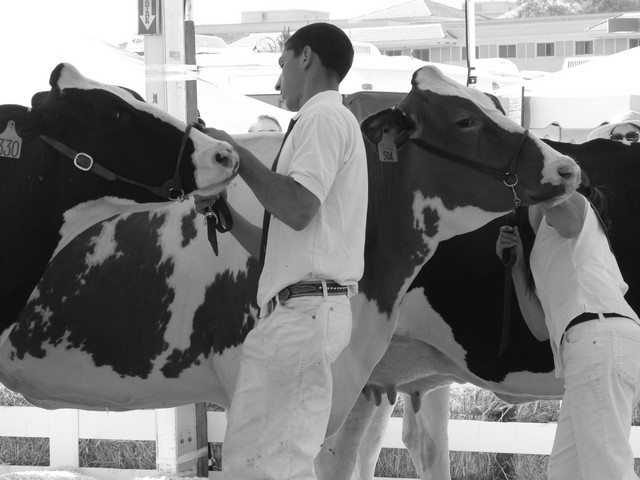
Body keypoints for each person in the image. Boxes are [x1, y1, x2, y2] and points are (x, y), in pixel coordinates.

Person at [197, 22, 367, 480]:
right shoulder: (324, 120)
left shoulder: (323, 118)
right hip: (300, 310)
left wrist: (235, 151)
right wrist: (226, 215)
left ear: (305, 57)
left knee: (274, 465)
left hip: (304, 314)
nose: (277, 83)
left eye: (281, 64)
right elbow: (278, 246)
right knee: (252, 464)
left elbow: (297, 207)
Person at [496, 183, 640, 480]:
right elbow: (539, 328)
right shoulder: (550, 247)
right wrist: (517, 264)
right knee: (565, 472)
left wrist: (534, 175)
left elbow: (562, 206)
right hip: (593, 345)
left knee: (608, 471)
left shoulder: (577, 209)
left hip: (597, 339)